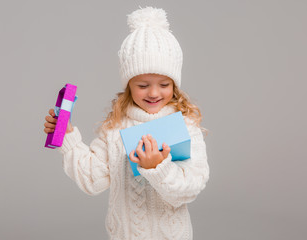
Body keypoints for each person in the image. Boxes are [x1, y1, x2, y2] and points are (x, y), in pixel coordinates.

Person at [43, 6, 209, 240]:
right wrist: (67, 135)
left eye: (164, 84)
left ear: (175, 85)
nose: (153, 92)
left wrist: (157, 168)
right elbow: (93, 179)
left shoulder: (185, 126)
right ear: (128, 85)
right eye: (142, 85)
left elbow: (190, 187)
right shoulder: (116, 127)